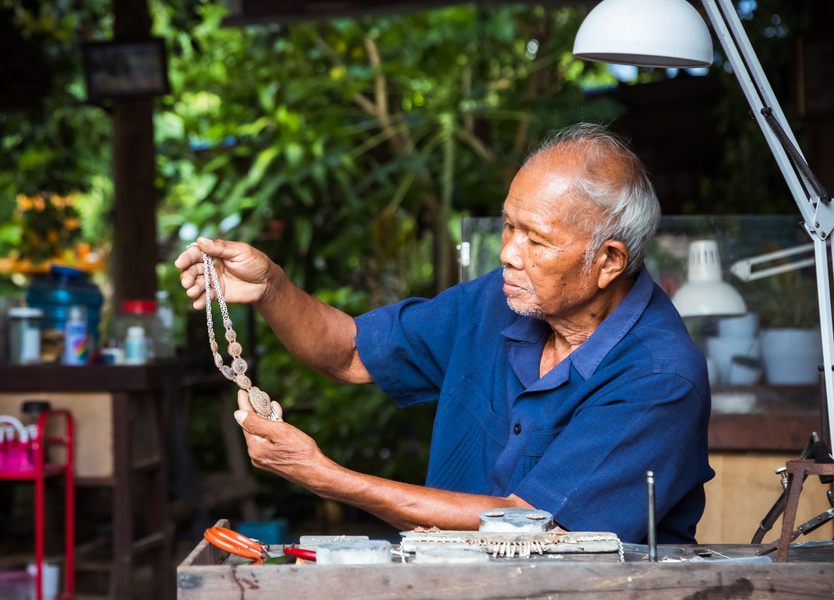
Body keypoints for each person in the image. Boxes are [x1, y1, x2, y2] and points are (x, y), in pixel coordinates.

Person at [176, 123, 714, 544]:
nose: (508, 253)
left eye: (536, 240)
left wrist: (326, 477)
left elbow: (532, 528)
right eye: (509, 226)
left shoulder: (660, 376)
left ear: (608, 262)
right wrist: (272, 286)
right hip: (455, 598)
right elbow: (348, 353)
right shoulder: (495, 302)